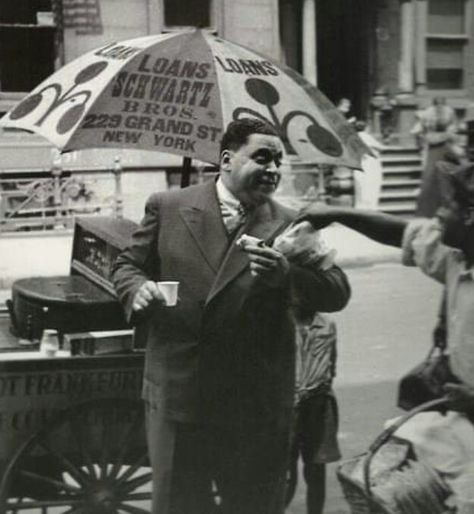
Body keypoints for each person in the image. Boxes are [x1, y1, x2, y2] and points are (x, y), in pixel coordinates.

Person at [111, 117, 351, 514]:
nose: (273, 169)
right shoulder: (169, 207)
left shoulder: (290, 224)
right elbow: (127, 265)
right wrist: (136, 290)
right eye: (262, 157)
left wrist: (286, 276)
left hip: (253, 408)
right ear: (226, 159)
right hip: (179, 398)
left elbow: (337, 290)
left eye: (278, 161)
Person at [295, 161, 474, 508]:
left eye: (447, 204)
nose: (436, 213)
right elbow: (402, 233)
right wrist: (334, 213)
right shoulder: (456, 256)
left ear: (469, 215)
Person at [288, 310, 341, 514]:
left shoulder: (327, 324)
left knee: (316, 469)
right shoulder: (280, 322)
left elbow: (332, 364)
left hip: (318, 405)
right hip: (287, 406)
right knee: (285, 470)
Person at [411, 97, 458, 216]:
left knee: (431, 174)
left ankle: (430, 209)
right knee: (442, 174)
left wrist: (421, 141)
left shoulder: (427, 112)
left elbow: (417, 131)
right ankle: (443, 206)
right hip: (443, 145)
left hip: (434, 146)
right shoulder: (448, 111)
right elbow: (453, 129)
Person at [353, 120, 385, 210]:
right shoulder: (365, 136)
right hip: (370, 163)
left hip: (360, 162)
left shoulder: (354, 137)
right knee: (371, 184)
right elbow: (380, 147)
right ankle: (370, 206)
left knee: (361, 186)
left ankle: (362, 205)